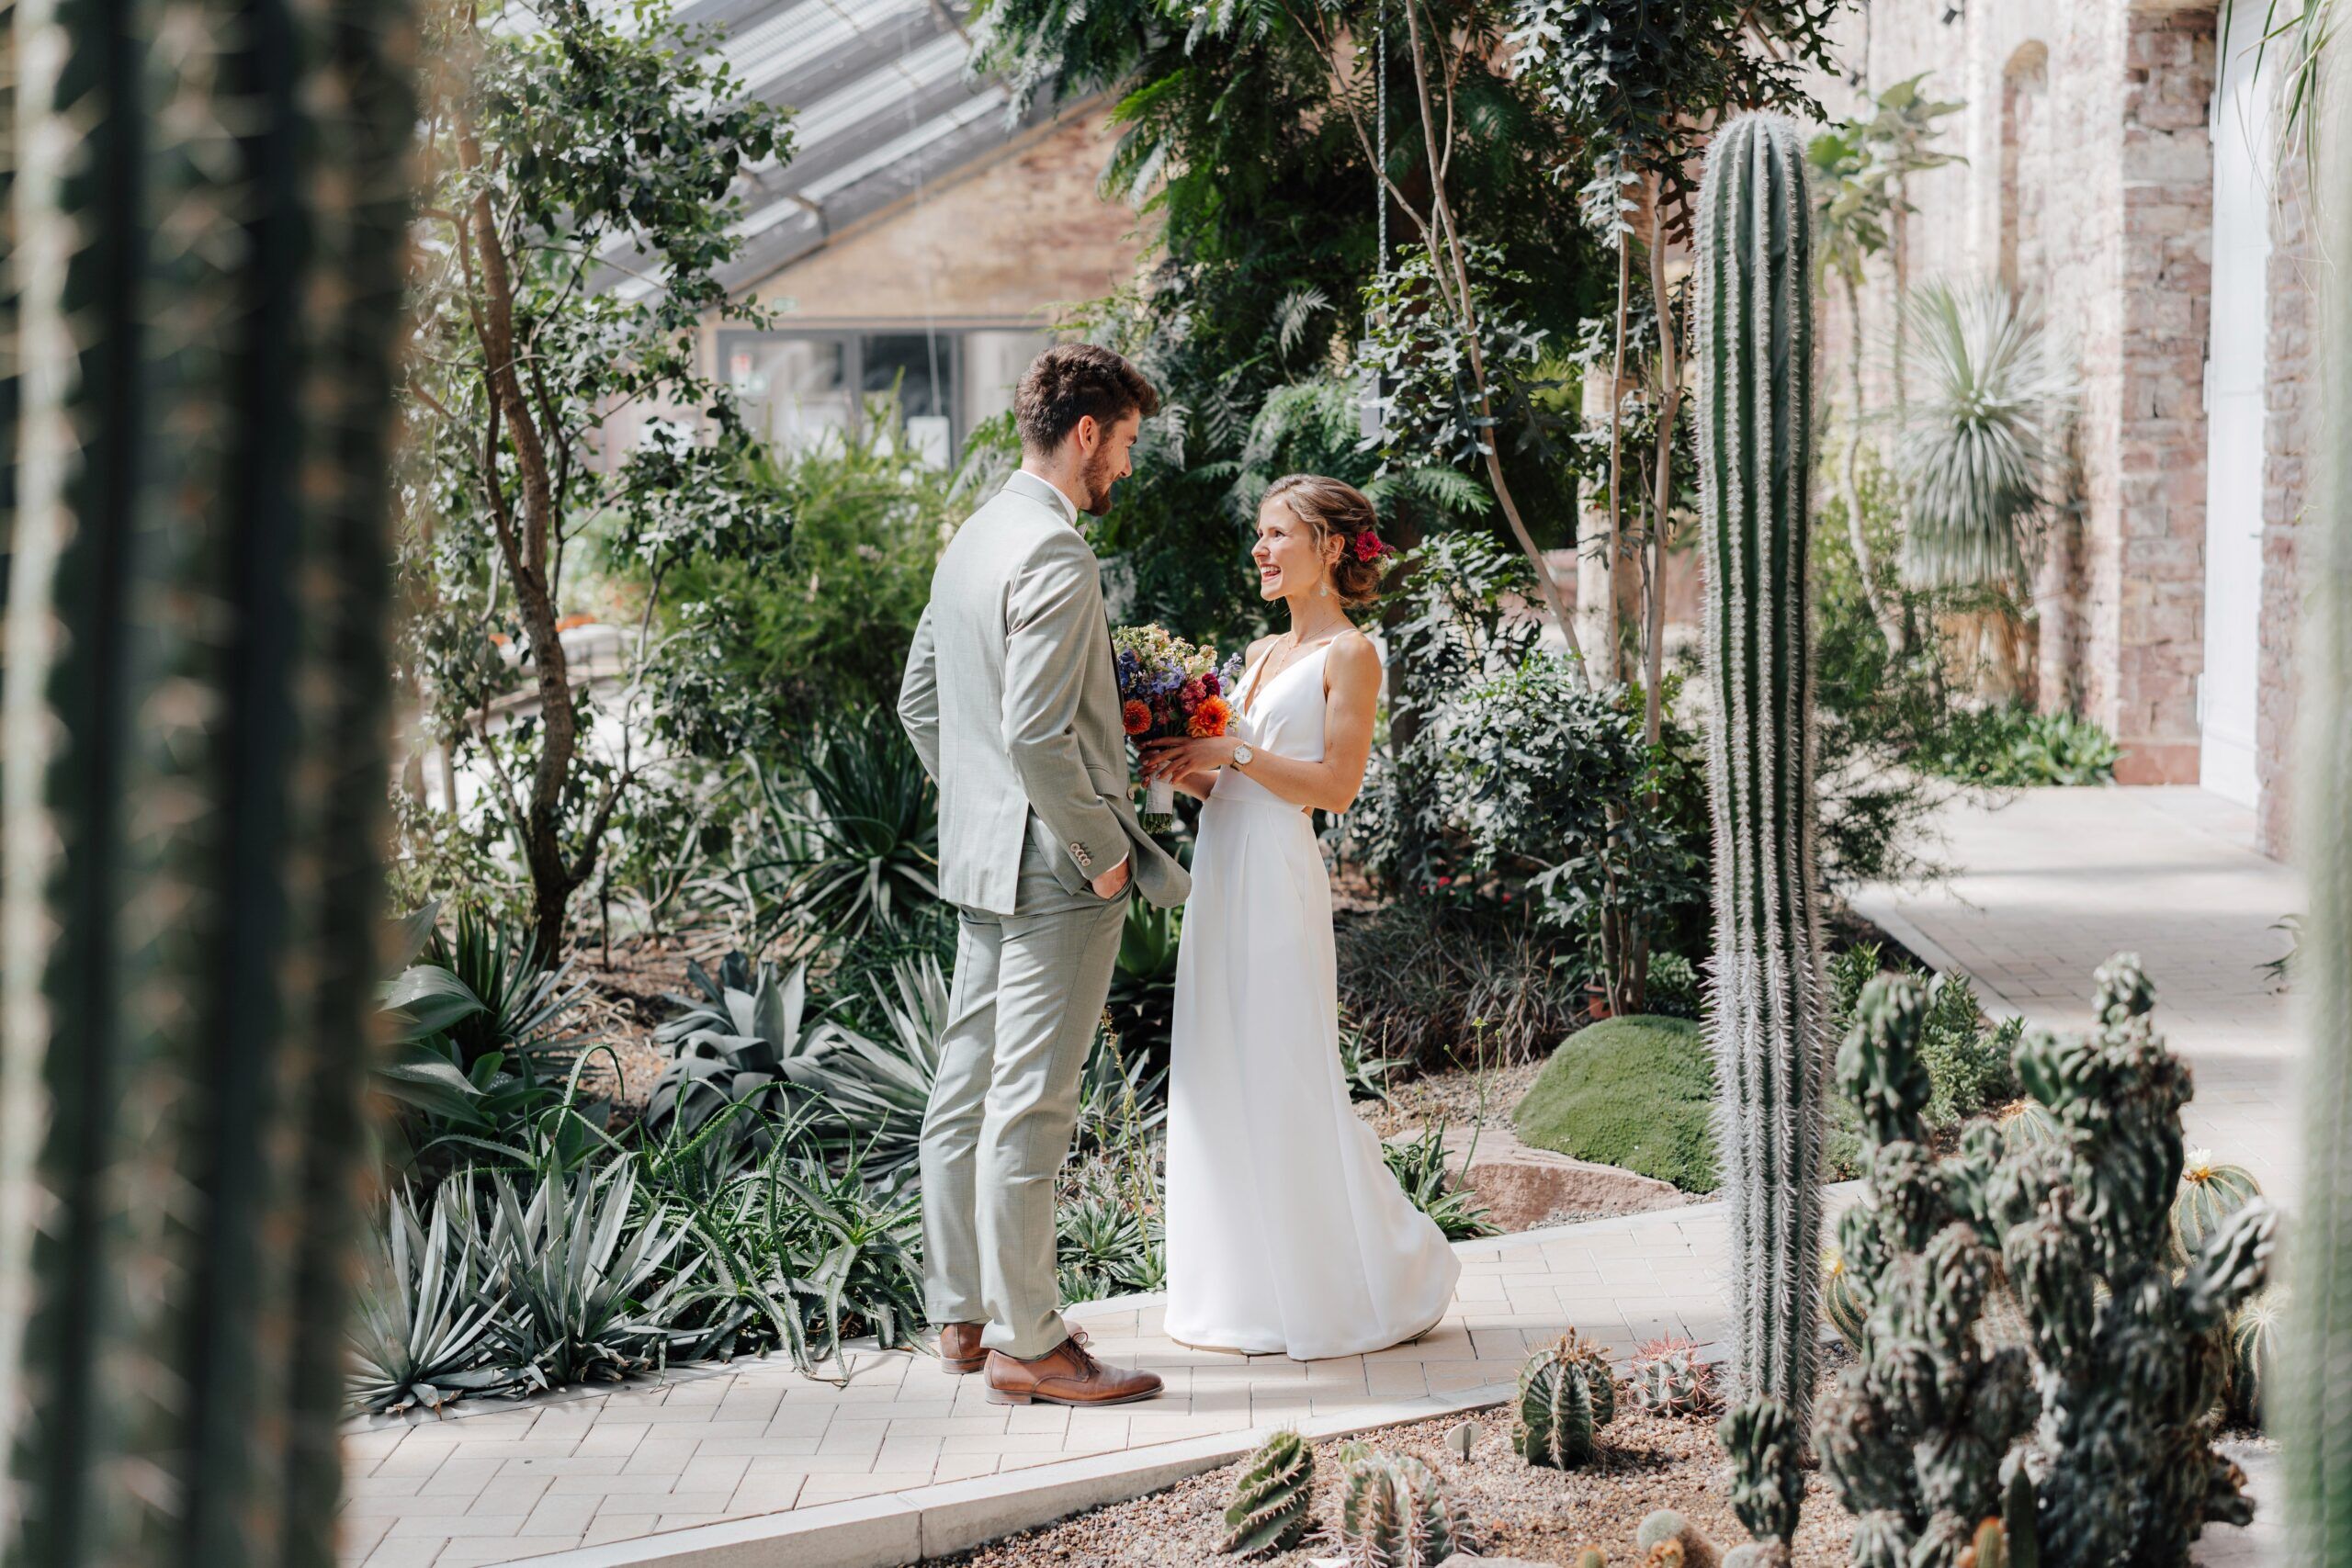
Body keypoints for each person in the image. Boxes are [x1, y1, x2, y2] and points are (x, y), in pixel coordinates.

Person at [898, 344, 1190, 1407]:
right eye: (1123, 446)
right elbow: (1033, 732)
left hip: (983, 857)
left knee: (964, 1090)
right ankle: (1032, 1343)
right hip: (1057, 871)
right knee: (1032, 1104)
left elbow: (920, 706)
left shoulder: (974, 538)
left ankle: (962, 1314)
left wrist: (981, 807)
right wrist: (1105, 853)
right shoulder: (1057, 557)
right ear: (1083, 437)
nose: (1124, 466)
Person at [1139, 473, 1461, 1359]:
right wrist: (1182, 769)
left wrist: (1231, 747)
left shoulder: (1351, 655)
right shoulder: (1255, 653)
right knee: (1220, 1066)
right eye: (1259, 534)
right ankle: (1239, 1292)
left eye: (1279, 534)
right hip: (1222, 867)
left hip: (1280, 875)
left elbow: (1333, 787)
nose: (1262, 550)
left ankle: (1364, 1278)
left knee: (1282, 1067)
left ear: (1326, 545)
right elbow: (1237, 779)